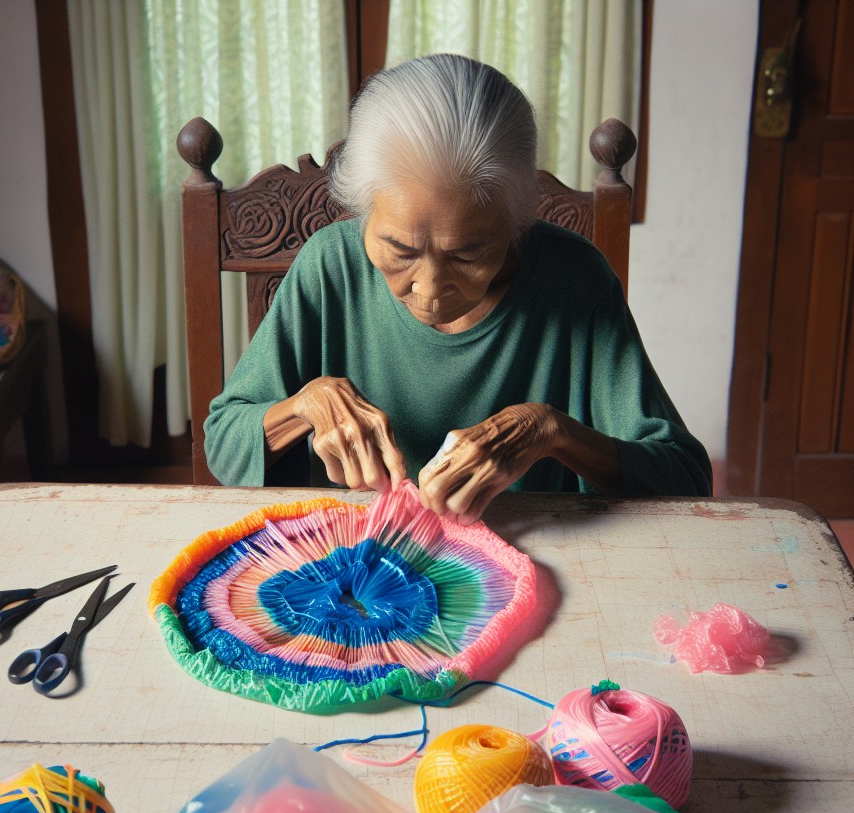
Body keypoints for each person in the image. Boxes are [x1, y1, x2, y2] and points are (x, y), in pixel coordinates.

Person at [204, 53, 712, 524]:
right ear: (363, 211)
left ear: (517, 224)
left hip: (532, 558)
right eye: (400, 251)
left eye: (469, 254)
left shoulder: (573, 278)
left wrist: (551, 432)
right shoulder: (330, 264)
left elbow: (685, 480)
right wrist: (304, 405)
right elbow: (225, 446)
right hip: (355, 563)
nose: (429, 288)